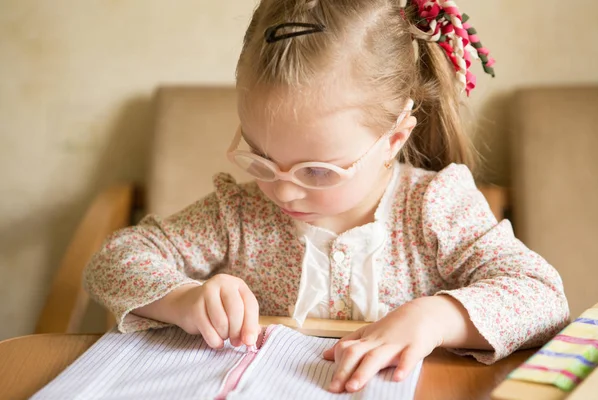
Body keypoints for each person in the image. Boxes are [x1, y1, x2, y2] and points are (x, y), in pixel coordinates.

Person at [84, 0, 569, 393]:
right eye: (260, 156)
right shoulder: (237, 213)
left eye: (318, 170)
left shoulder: (434, 208)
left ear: (394, 139)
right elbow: (114, 259)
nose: (282, 189)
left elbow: (542, 296)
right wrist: (183, 298)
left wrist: (435, 317)